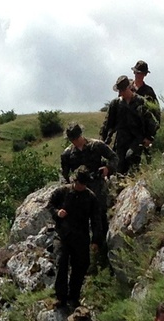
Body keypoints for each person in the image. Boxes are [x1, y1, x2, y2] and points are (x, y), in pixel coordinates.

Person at [47, 166, 102, 309]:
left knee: (80, 266)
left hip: (81, 237)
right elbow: (50, 205)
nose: (81, 186)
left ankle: (74, 297)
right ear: (75, 181)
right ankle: (61, 298)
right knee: (61, 264)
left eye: (84, 184)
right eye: (80, 183)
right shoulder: (62, 192)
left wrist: (96, 240)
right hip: (62, 236)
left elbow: (96, 219)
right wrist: (57, 213)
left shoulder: (90, 197)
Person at [61, 122, 117, 254]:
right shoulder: (68, 154)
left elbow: (114, 157)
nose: (75, 142)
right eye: (72, 140)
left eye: (76, 138)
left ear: (81, 134)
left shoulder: (96, 145)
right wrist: (69, 187)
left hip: (98, 187)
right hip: (80, 191)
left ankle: (103, 249)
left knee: (100, 217)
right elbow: (63, 174)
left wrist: (108, 168)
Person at [99, 74, 156, 176]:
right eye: (119, 91)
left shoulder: (141, 102)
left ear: (129, 88)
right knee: (119, 167)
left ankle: (134, 181)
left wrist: (149, 137)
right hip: (121, 140)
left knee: (131, 157)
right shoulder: (115, 104)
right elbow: (107, 124)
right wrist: (102, 141)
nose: (121, 93)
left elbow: (150, 121)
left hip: (137, 138)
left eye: (122, 90)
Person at [131, 60, 161, 141]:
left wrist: (149, 136)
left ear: (145, 74)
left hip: (141, 132)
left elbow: (156, 113)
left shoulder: (149, 91)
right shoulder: (127, 88)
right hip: (124, 132)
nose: (138, 75)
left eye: (140, 73)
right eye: (136, 73)